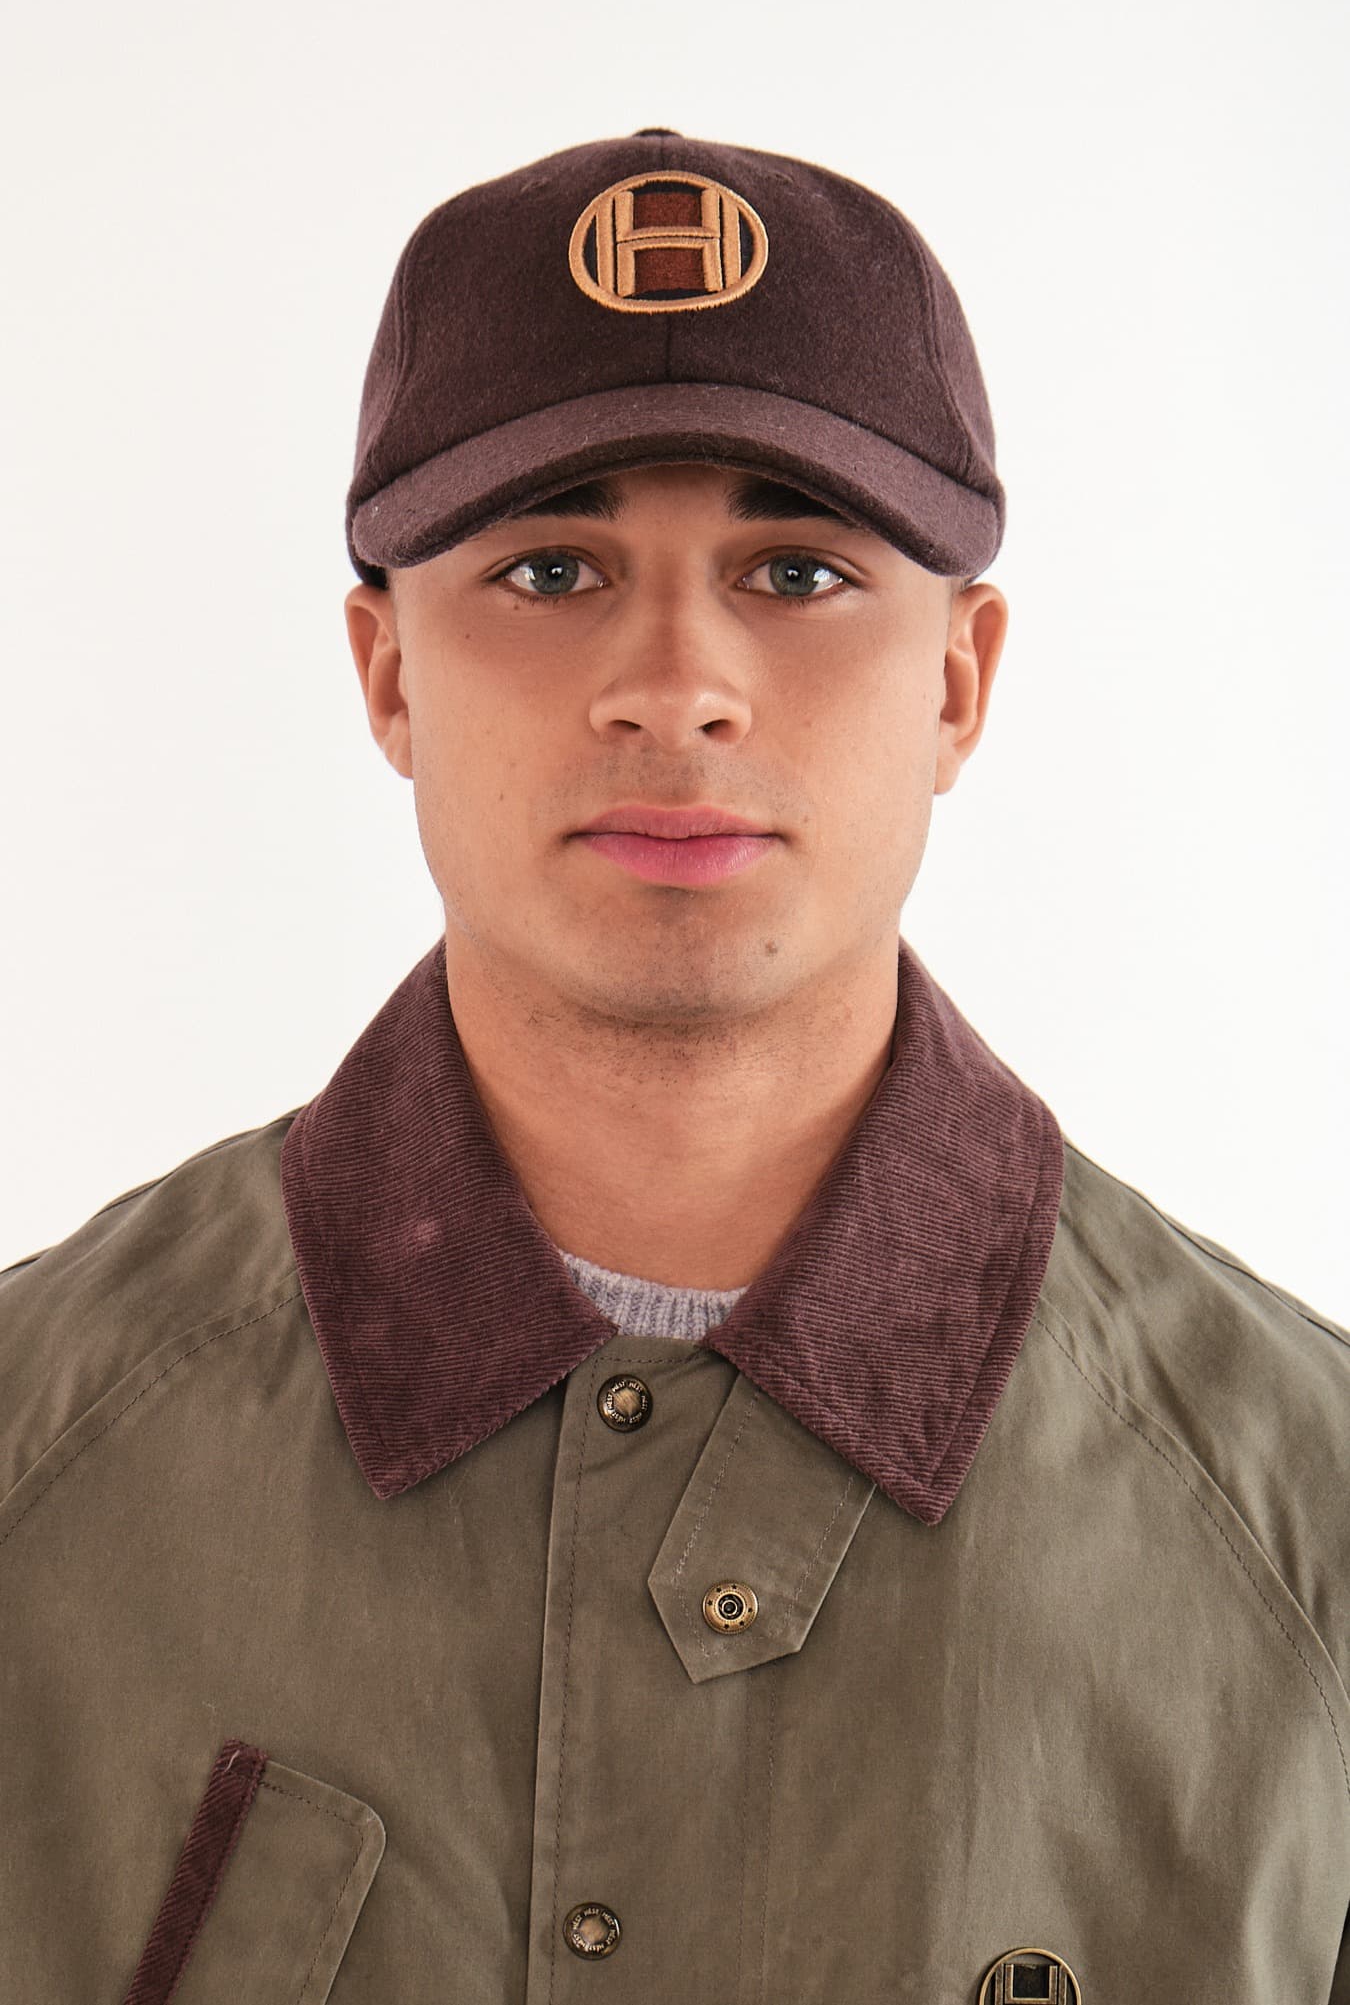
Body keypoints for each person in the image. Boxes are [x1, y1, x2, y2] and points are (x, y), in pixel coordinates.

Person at [2, 127, 1346, 2005]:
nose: (676, 683)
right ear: (387, 675)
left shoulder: (1307, 1534)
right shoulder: (36, 1465)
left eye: (794, 569)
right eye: (551, 567)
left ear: (957, 680)